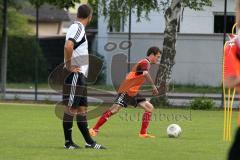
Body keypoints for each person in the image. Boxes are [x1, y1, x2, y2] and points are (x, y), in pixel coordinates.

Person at [89, 46, 161, 138]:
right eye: (157, 57)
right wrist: (153, 86)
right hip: (126, 90)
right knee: (114, 110)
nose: (158, 59)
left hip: (133, 92)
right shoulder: (145, 62)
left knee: (149, 107)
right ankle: (94, 129)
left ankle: (143, 134)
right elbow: (145, 73)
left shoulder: (146, 63)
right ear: (152, 55)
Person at [62, 4, 105, 149]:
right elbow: (68, 46)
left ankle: (90, 142)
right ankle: (68, 143)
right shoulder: (78, 27)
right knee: (71, 109)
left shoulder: (77, 28)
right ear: (90, 16)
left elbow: (70, 47)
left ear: (77, 14)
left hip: (80, 76)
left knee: (82, 110)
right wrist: (68, 65)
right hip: (75, 75)